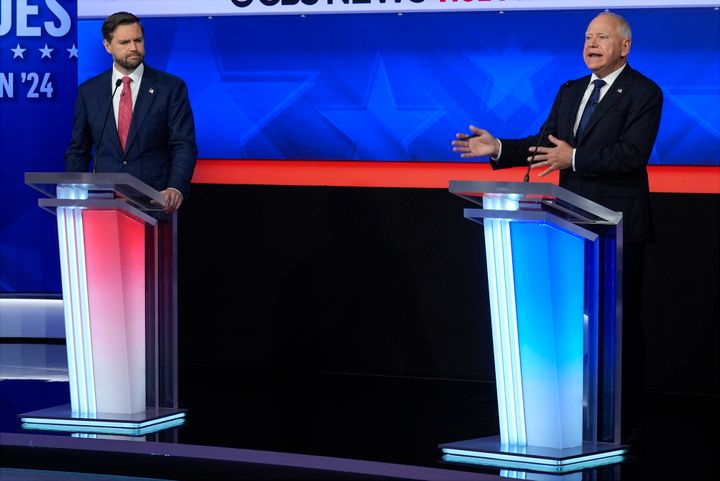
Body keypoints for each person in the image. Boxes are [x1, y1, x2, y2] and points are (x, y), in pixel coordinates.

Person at [451, 11, 663, 444]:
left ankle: (625, 421)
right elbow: (547, 146)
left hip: (617, 227)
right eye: (588, 36)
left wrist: (576, 159)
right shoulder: (570, 91)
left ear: (624, 46)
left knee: (618, 328)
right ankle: (578, 415)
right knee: (574, 325)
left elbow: (631, 155)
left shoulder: (643, 92)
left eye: (602, 36)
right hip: (570, 224)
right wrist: (500, 148)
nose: (592, 43)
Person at [65, 11, 197, 213]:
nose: (134, 48)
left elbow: (183, 144)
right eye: (124, 42)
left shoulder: (171, 88)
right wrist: (71, 191)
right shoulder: (89, 92)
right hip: (103, 206)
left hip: (155, 204)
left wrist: (175, 188)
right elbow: (78, 150)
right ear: (107, 46)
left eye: (138, 40)